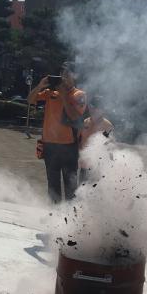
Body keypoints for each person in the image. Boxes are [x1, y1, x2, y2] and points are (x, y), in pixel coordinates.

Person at [28, 65, 86, 203]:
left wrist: (64, 95)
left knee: (70, 186)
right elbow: (30, 100)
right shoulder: (50, 93)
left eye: (67, 75)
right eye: (62, 75)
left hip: (68, 147)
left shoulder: (79, 95)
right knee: (52, 184)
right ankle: (55, 215)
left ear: (74, 77)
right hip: (49, 146)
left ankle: (71, 217)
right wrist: (40, 86)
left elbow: (73, 116)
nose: (64, 78)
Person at [78, 96, 114, 185]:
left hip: (98, 169)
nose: (93, 110)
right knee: (81, 193)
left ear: (102, 109)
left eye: (97, 107)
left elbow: (110, 148)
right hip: (84, 166)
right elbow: (80, 142)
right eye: (92, 106)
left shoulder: (107, 126)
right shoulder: (85, 122)